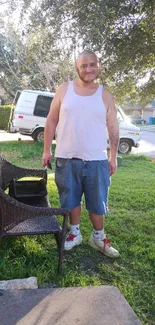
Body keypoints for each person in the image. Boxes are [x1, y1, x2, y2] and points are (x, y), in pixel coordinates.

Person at [42, 50, 120, 257]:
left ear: (99, 66)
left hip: (96, 159)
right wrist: (47, 149)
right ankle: (74, 233)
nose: (88, 69)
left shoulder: (105, 95)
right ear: (77, 68)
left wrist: (113, 157)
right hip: (66, 158)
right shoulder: (63, 90)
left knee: (97, 201)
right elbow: (51, 120)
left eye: (92, 64)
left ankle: (98, 237)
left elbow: (113, 127)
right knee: (70, 199)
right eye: (84, 65)